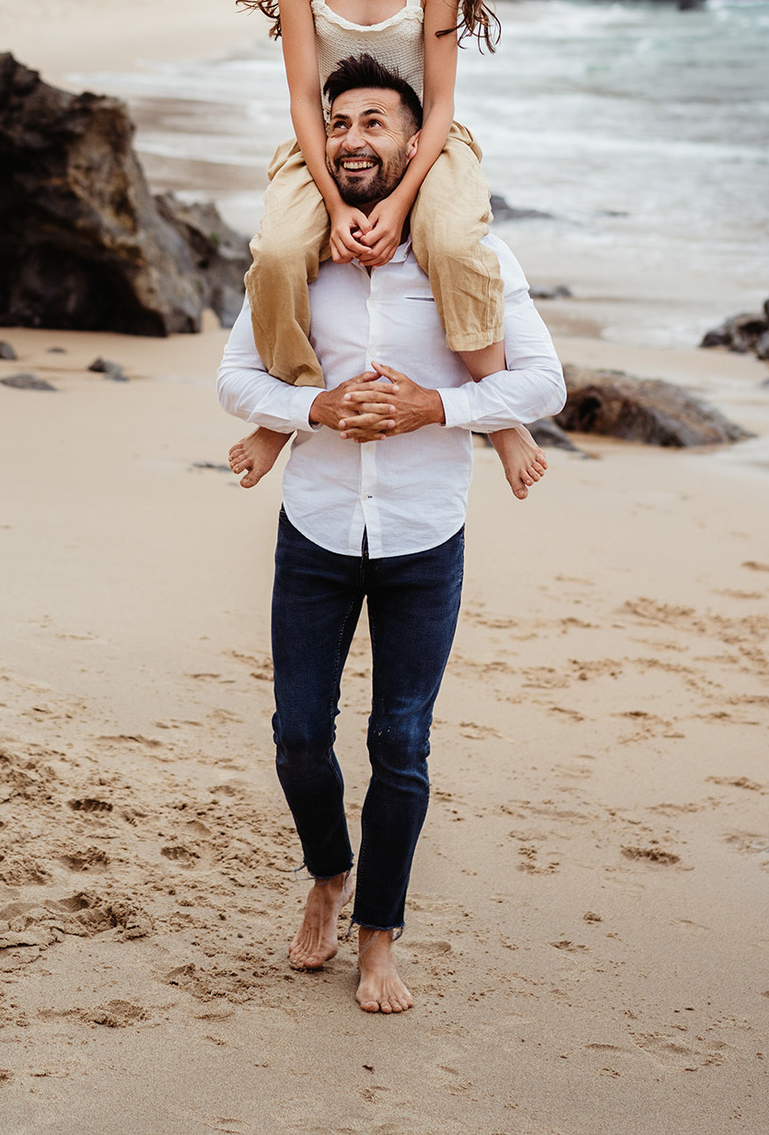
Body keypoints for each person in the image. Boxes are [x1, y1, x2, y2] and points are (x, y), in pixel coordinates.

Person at [217, 56, 566, 1013]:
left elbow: (543, 383)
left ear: (417, 146)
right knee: (298, 736)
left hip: (422, 534)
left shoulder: (473, 258)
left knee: (400, 743)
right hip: (317, 531)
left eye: (377, 122)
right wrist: (314, 407)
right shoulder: (297, 263)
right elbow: (234, 374)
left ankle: (378, 940)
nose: (355, 138)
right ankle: (327, 874)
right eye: (340, 124)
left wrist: (437, 408)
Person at [234, 0, 548, 502]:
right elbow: (300, 102)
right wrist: (338, 202)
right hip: (330, 142)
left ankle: (498, 413)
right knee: (281, 252)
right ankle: (288, 411)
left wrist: (403, 199)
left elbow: (440, 106)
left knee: (455, 246)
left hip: (423, 146)